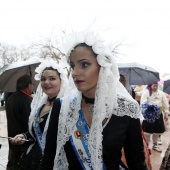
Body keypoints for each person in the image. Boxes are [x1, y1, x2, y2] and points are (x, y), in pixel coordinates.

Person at [52, 30, 148, 169]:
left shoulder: (126, 108)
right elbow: (50, 156)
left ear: (102, 67)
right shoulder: (62, 106)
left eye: (84, 64)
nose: (75, 72)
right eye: (72, 66)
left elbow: (136, 162)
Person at [10, 58, 68, 170]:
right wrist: (25, 136)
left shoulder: (67, 107)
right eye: (43, 79)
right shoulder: (40, 105)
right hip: (33, 160)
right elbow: (37, 131)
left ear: (62, 81)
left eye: (52, 78)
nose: (46, 82)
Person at [6, 75, 34, 170]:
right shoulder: (26, 100)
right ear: (29, 85)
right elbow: (28, 122)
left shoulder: (11, 98)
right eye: (32, 84)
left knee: (12, 163)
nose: (33, 87)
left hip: (12, 136)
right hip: (22, 140)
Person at [140, 82, 169, 153]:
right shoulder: (146, 92)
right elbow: (143, 103)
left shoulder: (161, 93)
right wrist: (150, 106)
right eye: (154, 86)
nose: (155, 87)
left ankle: (155, 145)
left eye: (156, 86)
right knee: (147, 131)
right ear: (150, 85)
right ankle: (146, 145)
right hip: (149, 115)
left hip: (158, 115)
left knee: (157, 131)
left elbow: (165, 103)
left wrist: (166, 113)